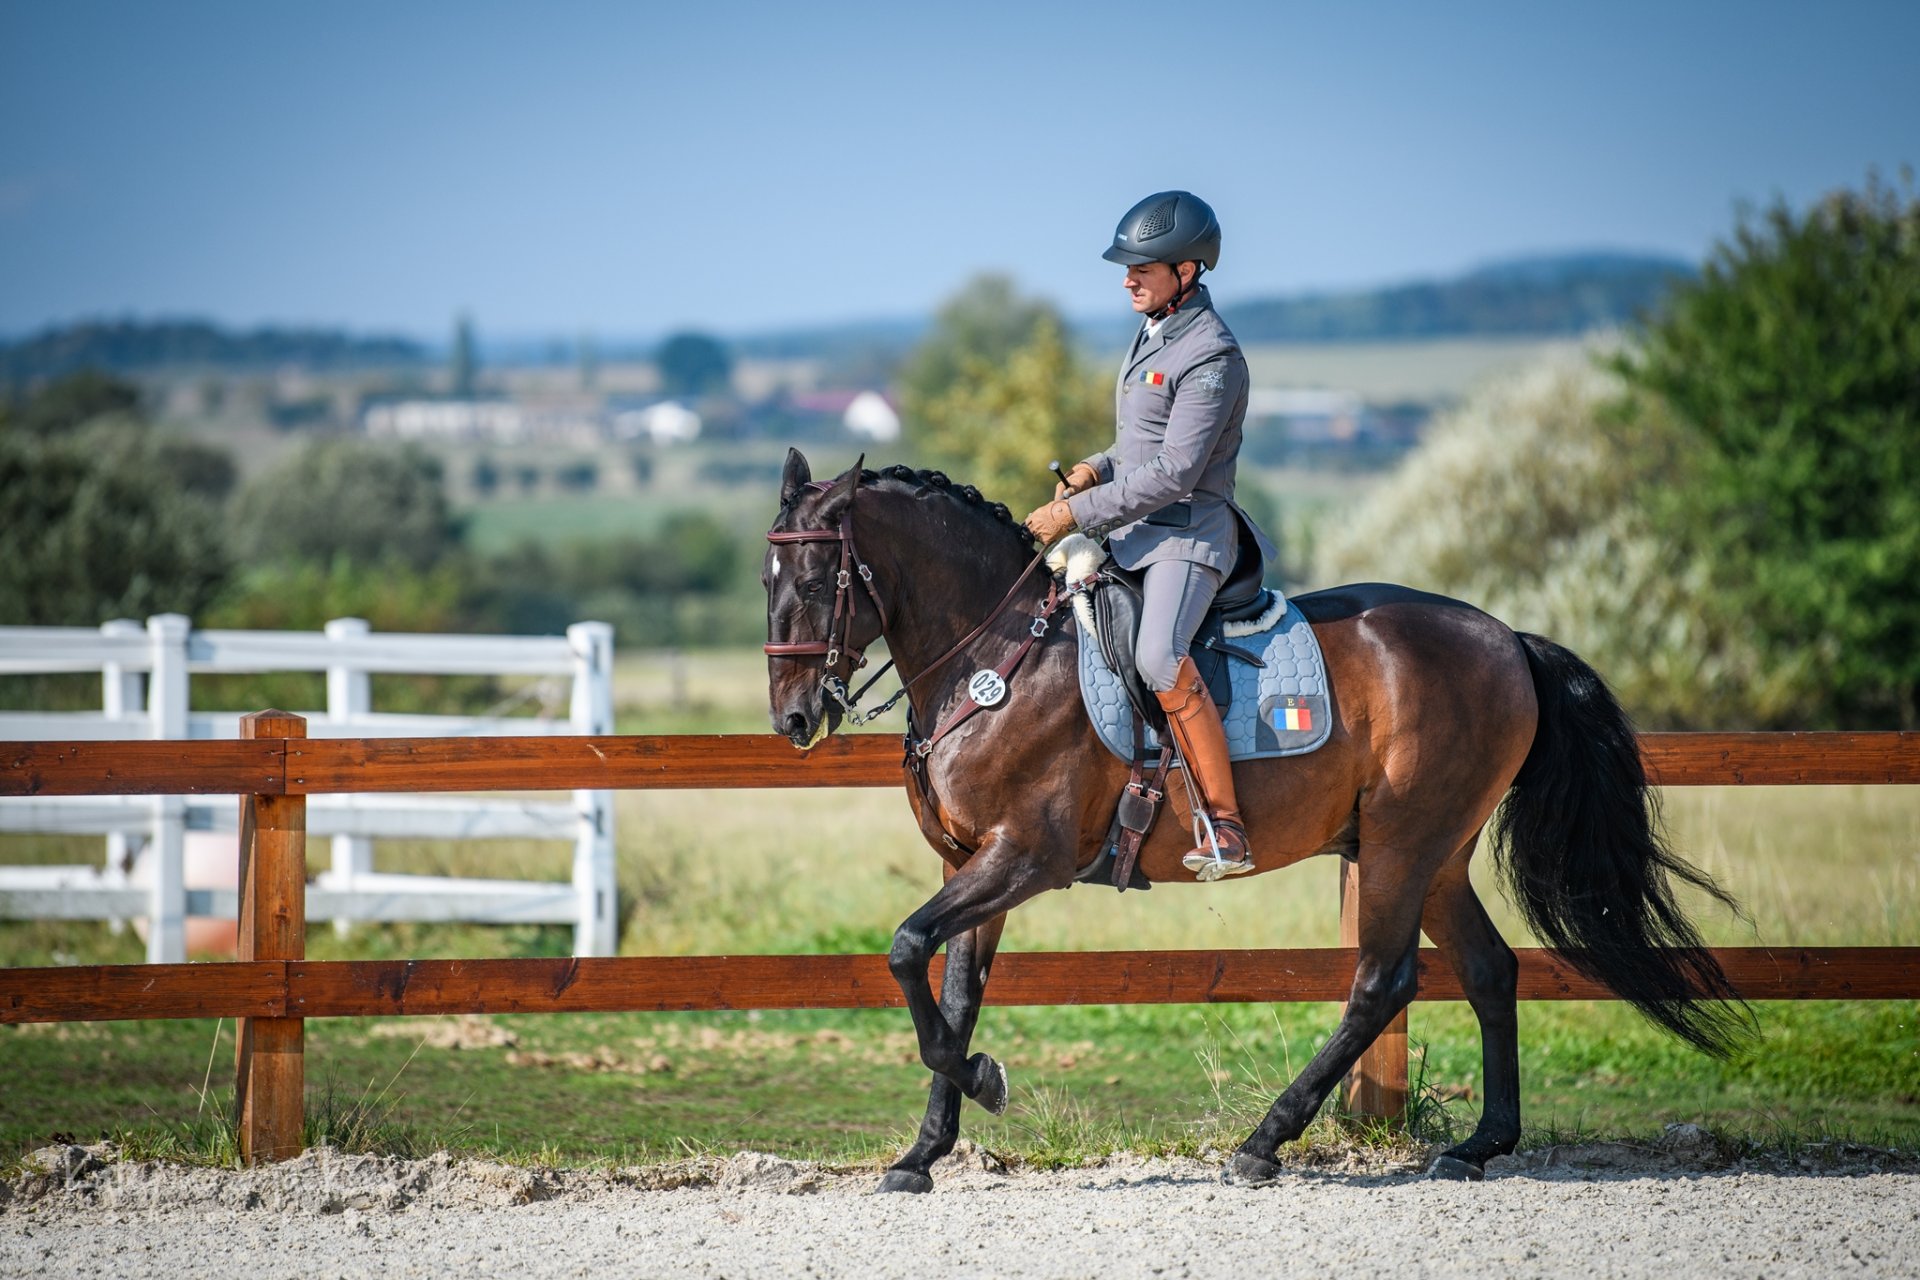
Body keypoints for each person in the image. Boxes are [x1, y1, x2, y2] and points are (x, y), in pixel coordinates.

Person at [1023, 190, 1276, 881]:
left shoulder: (1212, 355)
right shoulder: (1157, 332)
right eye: (1127, 267)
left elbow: (1174, 471)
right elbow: (1139, 444)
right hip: (1134, 531)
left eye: (1145, 267)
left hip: (1188, 537)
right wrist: (1091, 468)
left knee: (1161, 655)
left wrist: (1075, 514)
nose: (1128, 278)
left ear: (1189, 270)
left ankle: (1225, 826)